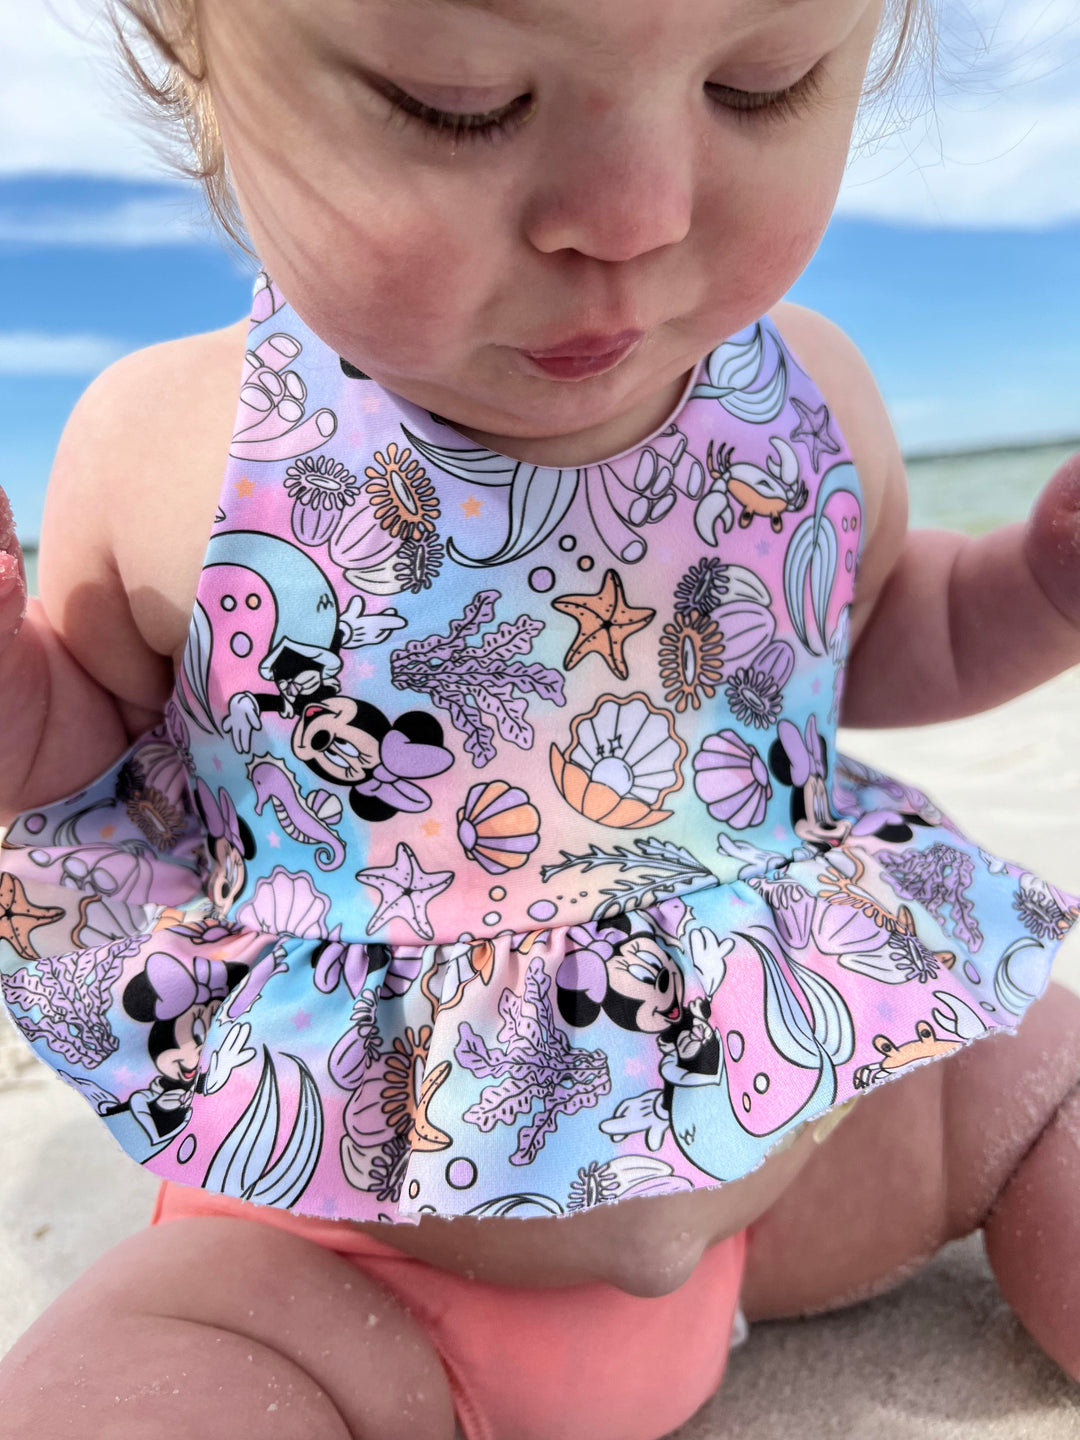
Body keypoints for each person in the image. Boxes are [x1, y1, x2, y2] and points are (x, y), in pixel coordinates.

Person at [1, 0, 1079, 1434]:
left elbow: (878, 631)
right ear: (198, 63)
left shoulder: (809, 394)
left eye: (757, 87)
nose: (634, 219)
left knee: (1041, 1071)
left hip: (804, 1148)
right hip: (363, 1247)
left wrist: (1038, 588)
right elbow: (79, 757)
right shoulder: (167, 442)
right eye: (459, 104)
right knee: (142, 1378)